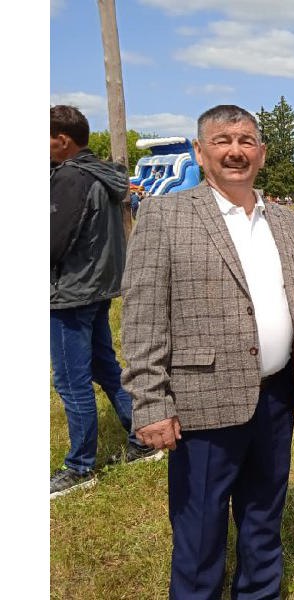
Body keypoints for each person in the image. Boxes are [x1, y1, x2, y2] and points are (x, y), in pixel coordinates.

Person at [120, 105, 294, 599]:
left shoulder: (282, 219)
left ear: (262, 152)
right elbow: (143, 314)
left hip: (276, 397)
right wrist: (150, 401)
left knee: (263, 517)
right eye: (222, 140)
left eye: (246, 140)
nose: (236, 150)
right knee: (199, 532)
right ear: (199, 150)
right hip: (202, 401)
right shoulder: (166, 214)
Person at [50, 105, 161, 499]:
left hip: (70, 293)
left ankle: (80, 467)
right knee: (104, 366)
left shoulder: (69, 177)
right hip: (97, 287)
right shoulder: (101, 174)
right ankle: (143, 437)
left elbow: (53, 240)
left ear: (62, 140)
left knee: (71, 380)